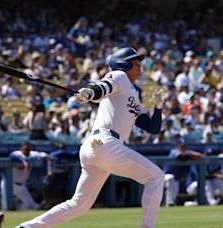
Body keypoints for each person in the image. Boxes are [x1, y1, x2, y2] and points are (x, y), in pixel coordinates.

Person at [18, 47, 165, 228]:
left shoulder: (133, 94)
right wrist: (90, 93)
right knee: (156, 177)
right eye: (135, 62)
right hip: (106, 143)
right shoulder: (119, 76)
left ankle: (27, 227)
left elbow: (152, 128)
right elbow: (103, 87)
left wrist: (158, 108)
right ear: (124, 64)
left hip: (95, 148)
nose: (139, 66)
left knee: (79, 205)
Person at [10, 141, 49, 210]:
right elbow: (12, 156)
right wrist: (23, 162)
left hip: (21, 186)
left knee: (30, 205)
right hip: (10, 184)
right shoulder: (17, 154)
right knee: (7, 204)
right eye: (25, 148)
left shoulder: (32, 154)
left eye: (28, 148)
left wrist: (47, 156)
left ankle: (17, 211)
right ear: (21, 148)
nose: (27, 150)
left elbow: (43, 154)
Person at [163, 138, 203, 206]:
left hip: (176, 178)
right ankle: (169, 203)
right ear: (178, 146)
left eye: (184, 146)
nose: (183, 148)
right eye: (181, 146)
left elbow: (200, 155)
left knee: (173, 195)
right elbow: (180, 156)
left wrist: (190, 154)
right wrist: (190, 155)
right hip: (164, 176)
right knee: (170, 178)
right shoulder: (174, 151)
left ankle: (170, 205)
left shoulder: (187, 152)